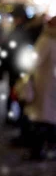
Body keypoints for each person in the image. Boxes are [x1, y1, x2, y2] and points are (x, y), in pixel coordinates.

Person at [23, 16, 56, 160]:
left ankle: (38, 150)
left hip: (43, 84)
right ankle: (49, 147)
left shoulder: (46, 40)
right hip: (51, 84)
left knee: (41, 118)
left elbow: (34, 61)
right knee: (50, 118)